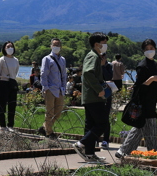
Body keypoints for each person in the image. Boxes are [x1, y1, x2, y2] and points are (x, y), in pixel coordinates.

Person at [116, 39, 157, 159]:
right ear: (143, 51)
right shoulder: (142, 66)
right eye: (146, 49)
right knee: (149, 126)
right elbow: (139, 87)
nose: (149, 51)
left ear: (155, 49)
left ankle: (124, 151)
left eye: (151, 48)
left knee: (140, 127)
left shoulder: (154, 64)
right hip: (144, 101)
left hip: (151, 100)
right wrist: (151, 79)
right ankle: (153, 153)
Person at [74, 33, 109, 163]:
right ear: (96, 44)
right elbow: (88, 73)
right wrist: (99, 89)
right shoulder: (93, 56)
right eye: (104, 42)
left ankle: (89, 153)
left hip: (91, 96)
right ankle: (81, 144)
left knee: (91, 125)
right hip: (94, 97)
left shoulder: (95, 56)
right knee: (102, 123)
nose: (105, 45)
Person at [38, 39, 68, 138]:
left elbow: (64, 74)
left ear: (61, 46)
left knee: (58, 112)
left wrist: (64, 87)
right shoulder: (46, 59)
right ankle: (49, 133)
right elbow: (43, 74)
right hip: (50, 88)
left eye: (58, 45)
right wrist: (45, 87)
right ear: (51, 46)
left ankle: (44, 127)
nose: (56, 46)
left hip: (59, 89)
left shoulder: (63, 59)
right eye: (55, 45)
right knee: (50, 112)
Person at [0, 41, 19, 132]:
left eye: (11, 46)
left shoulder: (16, 60)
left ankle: (11, 125)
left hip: (12, 83)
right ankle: (2, 125)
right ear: (4, 48)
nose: (10, 48)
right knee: (2, 105)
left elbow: (16, 72)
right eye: (8, 46)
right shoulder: (1, 59)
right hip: (3, 82)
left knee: (12, 105)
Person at [100, 53, 114, 149]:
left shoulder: (109, 66)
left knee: (105, 117)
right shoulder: (94, 65)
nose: (102, 59)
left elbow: (108, 77)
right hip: (95, 94)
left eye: (104, 57)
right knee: (95, 117)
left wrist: (103, 66)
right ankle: (95, 138)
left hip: (106, 94)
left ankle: (105, 139)